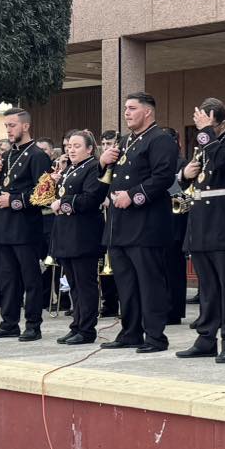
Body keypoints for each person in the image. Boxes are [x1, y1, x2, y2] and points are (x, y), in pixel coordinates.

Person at [99, 92, 176, 352]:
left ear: (148, 112)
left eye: (132, 108)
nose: (127, 113)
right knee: (126, 283)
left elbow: (163, 176)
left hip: (146, 225)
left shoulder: (160, 139)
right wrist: (102, 163)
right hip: (120, 225)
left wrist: (133, 196)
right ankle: (130, 332)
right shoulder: (126, 140)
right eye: (125, 108)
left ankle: (155, 336)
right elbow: (113, 175)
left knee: (149, 282)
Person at [178, 99, 225, 362]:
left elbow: (220, 161)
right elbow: (191, 181)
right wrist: (184, 174)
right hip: (200, 223)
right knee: (207, 288)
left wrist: (206, 132)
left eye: (208, 124)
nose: (203, 129)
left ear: (220, 122)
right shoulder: (203, 146)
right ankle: (206, 338)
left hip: (222, 224)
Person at [0, 109, 51, 342]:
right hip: (3, 226)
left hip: (25, 227)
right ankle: (9, 322)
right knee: (7, 279)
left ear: (25, 126)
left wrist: (14, 200)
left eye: (12, 125)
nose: (8, 130)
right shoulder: (7, 155)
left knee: (30, 279)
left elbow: (44, 193)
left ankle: (33, 325)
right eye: (6, 126)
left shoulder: (37, 155)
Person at [50, 130, 107, 345]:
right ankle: (76, 324)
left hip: (83, 234)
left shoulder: (93, 167)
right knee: (73, 284)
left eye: (77, 146)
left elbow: (91, 198)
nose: (71, 150)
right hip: (66, 233)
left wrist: (63, 203)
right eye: (69, 146)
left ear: (90, 149)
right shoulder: (70, 169)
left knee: (85, 284)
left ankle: (87, 329)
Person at [160, 126, 189, 325]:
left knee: (174, 269)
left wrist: (172, 181)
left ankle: (174, 311)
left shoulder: (182, 164)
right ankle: (163, 307)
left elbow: (185, 194)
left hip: (176, 221)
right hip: (160, 221)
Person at [97, 130, 121, 317]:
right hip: (101, 220)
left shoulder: (120, 163)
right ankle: (109, 303)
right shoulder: (101, 164)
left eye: (110, 143)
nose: (107, 147)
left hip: (118, 217)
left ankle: (120, 302)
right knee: (103, 264)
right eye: (104, 144)